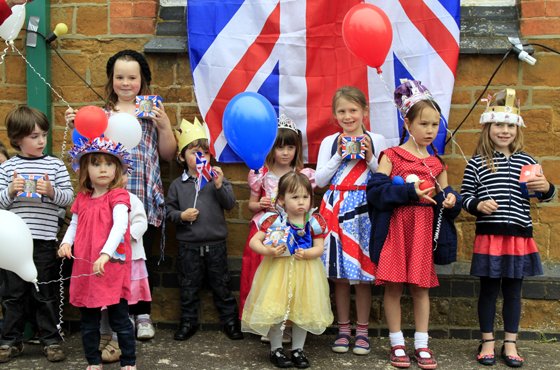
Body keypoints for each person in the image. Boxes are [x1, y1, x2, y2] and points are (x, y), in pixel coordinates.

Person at [66, 49, 176, 340]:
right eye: (119, 77)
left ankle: (143, 314)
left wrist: (164, 125)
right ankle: (119, 314)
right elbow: (88, 151)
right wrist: (75, 123)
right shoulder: (102, 115)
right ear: (111, 80)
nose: (125, 83)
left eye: (132, 77)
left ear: (143, 80)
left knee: (141, 256)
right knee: (114, 257)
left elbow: (169, 155)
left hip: (142, 193)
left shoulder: (152, 111)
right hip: (108, 198)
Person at [367, 80, 460, 370]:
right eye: (424, 124)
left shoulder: (437, 163)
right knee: (393, 288)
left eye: (435, 124)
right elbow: (375, 193)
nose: (431, 130)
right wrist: (409, 192)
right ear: (407, 123)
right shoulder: (391, 156)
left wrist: (450, 200)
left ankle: (422, 343)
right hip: (397, 230)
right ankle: (396, 342)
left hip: (422, 234)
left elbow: (446, 198)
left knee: (421, 289)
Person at [460, 89, 555, 368]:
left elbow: (546, 195)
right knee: (489, 290)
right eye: (499, 125)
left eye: (510, 125)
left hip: (519, 238)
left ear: (517, 128)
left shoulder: (528, 161)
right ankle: (487, 340)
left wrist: (546, 187)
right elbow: (465, 196)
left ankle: (510, 342)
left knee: (514, 291)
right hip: (490, 238)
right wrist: (477, 205)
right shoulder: (476, 163)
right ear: (488, 127)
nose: (504, 130)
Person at [316, 86, 388, 355]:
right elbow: (320, 181)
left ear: (364, 112)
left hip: (364, 210)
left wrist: (369, 157)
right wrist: (339, 155)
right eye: (342, 111)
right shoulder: (329, 142)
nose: (348, 116)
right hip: (335, 209)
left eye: (353, 110)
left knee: (363, 274)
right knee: (339, 275)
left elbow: (383, 177)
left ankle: (363, 330)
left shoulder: (377, 139)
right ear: (335, 115)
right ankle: (343, 329)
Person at [0, 106, 73, 364]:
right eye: (33, 136)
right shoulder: (9, 168)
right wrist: (9, 191)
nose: (41, 140)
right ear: (17, 139)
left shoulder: (54, 165)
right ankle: (10, 340)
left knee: (44, 292)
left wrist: (51, 192)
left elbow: (68, 199)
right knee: (12, 294)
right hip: (10, 245)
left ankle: (51, 340)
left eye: (43, 134)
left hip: (43, 241)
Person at [58, 136, 136, 370]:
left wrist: (104, 254)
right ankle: (93, 360)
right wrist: (66, 243)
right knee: (89, 318)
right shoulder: (82, 198)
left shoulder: (118, 196)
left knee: (120, 318)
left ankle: (129, 362)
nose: (103, 169)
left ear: (117, 168)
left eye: (109, 164)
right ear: (85, 169)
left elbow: (120, 226)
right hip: (85, 264)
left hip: (111, 264)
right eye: (96, 163)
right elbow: (74, 224)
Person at [242, 172, 333, 368]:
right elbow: (253, 242)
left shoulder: (314, 221)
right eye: (295, 197)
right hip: (278, 271)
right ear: (282, 200)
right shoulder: (274, 220)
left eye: (305, 197)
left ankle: (298, 349)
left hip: (306, 272)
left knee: (303, 310)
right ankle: (276, 349)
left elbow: (319, 247)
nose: (301, 202)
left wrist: (309, 253)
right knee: (277, 310)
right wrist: (268, 250)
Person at [239, 114, 315, 342]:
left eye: (290, 147)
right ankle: (267, 323)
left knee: (290, 280)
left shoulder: (302, 176)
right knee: (265, 278)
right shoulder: (261, 175)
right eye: (279, 147)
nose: (285, 153)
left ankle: (288, 323)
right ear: (270, 149)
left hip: (293, 234)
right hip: (266, 231)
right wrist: (258, 204)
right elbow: (252, 205)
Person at [166, 118, 242, 342]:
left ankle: (230, 321)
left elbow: (229, 204)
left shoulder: (216, 180)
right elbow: (168, 211)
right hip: (188, 247)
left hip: (216, 245)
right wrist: (181, 215)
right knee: (188, 288)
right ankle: (188, 322)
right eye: (193, 152)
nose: (200, 157)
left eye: (204, 153)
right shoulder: (178, 185)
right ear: (182, 157)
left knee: (222, 286)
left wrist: (219, 185)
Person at [99, 170, 149, 363]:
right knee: (103, 300)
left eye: (124, 173)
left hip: (128, 258)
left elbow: (141, 221)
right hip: (104, 259)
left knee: (122, 303)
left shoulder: (131, 198)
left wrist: (126, 237)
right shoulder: (99, 198)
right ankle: (104, 333)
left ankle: (119, 338)